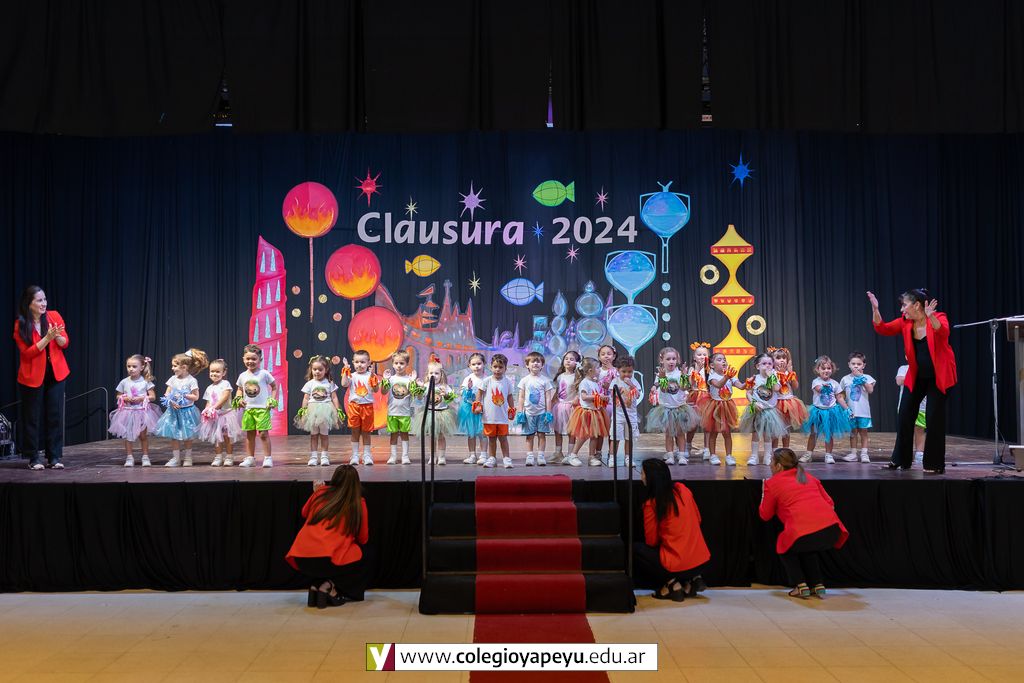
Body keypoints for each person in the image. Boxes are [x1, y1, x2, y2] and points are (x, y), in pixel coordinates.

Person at [868, 289, 957, 473]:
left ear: (917, 305)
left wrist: (931, 317)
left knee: (933, 418)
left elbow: (943, 332)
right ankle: (900, 459)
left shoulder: (938, 317)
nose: (902, 309)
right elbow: (882, 328)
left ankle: (934, 464)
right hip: (917, 376)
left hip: (939, 376)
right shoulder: (905, 322)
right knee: (905, 414)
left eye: (904, 305)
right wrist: (875, 309)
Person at [759, 447, 849, 599]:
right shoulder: (809, 477)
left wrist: (763, 492)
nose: (769, 464)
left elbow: (765, 515)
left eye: (771, 461)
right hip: (832, 531)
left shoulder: (772, 483)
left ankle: (800, 585)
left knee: (785, 545)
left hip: (807, 532)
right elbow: (830, 503)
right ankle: (817, 584)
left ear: (778, 466)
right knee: (806, 547)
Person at [286, 465, 373, 609]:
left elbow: (304, 512)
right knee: (366, 554)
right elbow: (363, 539)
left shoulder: (320, 493)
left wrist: (316, 493)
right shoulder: (358, 502)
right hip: (327, 560)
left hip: (301, 559)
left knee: (329, 558)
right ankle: (329, 586)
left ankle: (316, 585)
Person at [634, 458, 710, 601]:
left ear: (650, 479)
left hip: (676, 564)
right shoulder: (683, 490)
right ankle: (693, 579)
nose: (641, 477)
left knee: (636, 550)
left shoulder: (651, 504)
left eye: (642, 473)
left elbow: (651, 541)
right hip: (702, 562)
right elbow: (698, 519)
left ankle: (672, 584)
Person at [13, 286, 69, 470]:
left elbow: (65, 343)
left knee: (54, 416)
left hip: (56, 373)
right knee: (32, 418)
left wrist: (57, 336)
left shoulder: (54, 316)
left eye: (44, 299)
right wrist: (47, 338)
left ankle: (54, 457)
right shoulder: (21, 324)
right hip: (31, 376)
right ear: (29, 303)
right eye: (39, 300)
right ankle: (33, 458)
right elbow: (27, 353)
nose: (44, 303)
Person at [154, 348, 208, 467]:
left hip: (187, 412)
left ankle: (188, 458)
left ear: (184, 367)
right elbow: (167, 394)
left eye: (175, 366)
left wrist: (184, 394)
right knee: (174, 436)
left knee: (187, 436)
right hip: (173, 412)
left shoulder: (191, 380)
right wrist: (171, 401)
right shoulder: (172, 379)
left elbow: (196, 397)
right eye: (172, 366)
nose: (172, 368)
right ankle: (176, 458)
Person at [645, 346, 699, 465]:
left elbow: (684, 388)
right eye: (668, 359)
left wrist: (684, 376)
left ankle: (681, 455)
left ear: (677, 360)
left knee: (680, 433)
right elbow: (664, 389)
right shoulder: (660, 374)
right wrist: (662, 377)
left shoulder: (679, 373)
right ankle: (670, 455)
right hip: (667, 409)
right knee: (669, 433)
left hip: (679, 407)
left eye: (674, 359)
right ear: (662, 360)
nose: (671, 361)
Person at [108, 354, 161, 467]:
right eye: (129, 366)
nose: (131, 369)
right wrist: (125, 398)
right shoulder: (124, 382)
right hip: (128, 412)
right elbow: (118, 395)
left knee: (143, 436)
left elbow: (152, 397)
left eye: (134, 366)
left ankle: (145, 457)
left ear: (142, 367)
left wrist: (142, 398)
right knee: (129, 436)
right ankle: (129, 457)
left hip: (142, 412)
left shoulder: (145, 382)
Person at [739, 353, 788, 466]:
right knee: (755, 433)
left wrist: (771, 376)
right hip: (756, 409)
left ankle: (767, 456)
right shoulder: (754, 379)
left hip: (769, 411)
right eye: (764, 363)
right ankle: (754, 456)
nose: (767, 366)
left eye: (770, 364)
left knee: (768, 434)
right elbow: (748, 393)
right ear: (758, 366)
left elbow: (776, 388)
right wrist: (753, 403)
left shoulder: (774, 378)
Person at [800, 355, 852, 464]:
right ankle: (808, 454)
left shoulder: (835, 383)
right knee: (813, 433)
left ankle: (828, 455)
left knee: (829, 434)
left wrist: (847, 409)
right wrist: (826, 387)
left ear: (832, 369)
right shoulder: (816, 381)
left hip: (831, 412)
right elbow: (819, 389)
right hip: (817, 412)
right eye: (823, 368)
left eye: (828, 368)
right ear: (817, 370)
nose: (826, 370)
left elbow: (839, 397)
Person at [294, 355, 344, 467]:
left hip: (326, 410)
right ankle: (313, 457)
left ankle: (324, 456)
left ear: (326, 370)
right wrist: (303, 410)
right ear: (311, 370)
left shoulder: (329, 383)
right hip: (313, 411)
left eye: (320, 369)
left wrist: (338, 410)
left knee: (324, 435)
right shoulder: (310, 383)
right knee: (314, 435)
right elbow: (306, 398)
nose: (317, 372)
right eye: (314, 369)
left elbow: (334, 397)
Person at [234, 344, 278, 468]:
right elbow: (239, 389)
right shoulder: (242, 376)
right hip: (248, 409)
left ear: (260, 360)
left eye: (254, 359)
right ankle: (250, 458)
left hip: (262, 408)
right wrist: (239, 398)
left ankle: (268, 458)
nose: (250, 361)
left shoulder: (264, 374)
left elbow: (274, 387)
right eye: (248, 358)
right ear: (243, 359)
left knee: (263, 434)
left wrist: (272, 399)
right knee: (250, 434)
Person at [410, 358, 458, 465]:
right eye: (431, 373)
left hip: (442, 414)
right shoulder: (426, 386)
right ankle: (432, 456)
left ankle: (441, 456)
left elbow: (451, 400)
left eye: (436, 373)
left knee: (441, 436)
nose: (434, 375)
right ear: (427, 374)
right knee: (432, 437)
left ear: (441, 375)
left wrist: (446, 394)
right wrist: (420, 389)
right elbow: (419, 398)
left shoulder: (445, 387)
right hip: (429, 413)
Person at [701, 353, 744, 466]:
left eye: (724, 359)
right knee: (713, 432)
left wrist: (748, 384)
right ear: (712, 365)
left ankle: (729, 455)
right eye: (719, 360)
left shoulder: (730, 376)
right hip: (715, 406)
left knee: (727, 433)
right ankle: (713, 455)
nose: (723, 361)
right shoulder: (712, 376)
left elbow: (740, 386)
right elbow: (719, 385)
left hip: (727, 406)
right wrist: (726, 377)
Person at [474, 353, 516, 468]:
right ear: (491, 367)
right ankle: (492, 458)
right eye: (495, 367)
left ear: (505, 368)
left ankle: (506, 458)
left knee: (503, 438)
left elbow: (510, 396)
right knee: (491, 439)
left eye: (500, 367)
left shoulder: (507, 382)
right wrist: (478, 405)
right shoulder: (486, 381)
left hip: (502, 417)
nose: (497, 369)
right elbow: (479, 393)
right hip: (489, 417)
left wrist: (512, 410)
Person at [198, 359, 242, 466]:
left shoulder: (225, 384)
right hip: (216, 416)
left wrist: (214, 407)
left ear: (224, 372)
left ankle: (229, 457)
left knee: (227, 436)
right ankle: (218, 457)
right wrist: (207, 410)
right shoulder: (209, 388)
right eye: (212, 371)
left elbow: (224, 397)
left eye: (217, 371)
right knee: (217, 437)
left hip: (226, 415)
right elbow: (209, 401)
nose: (214, 374)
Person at [515, 351, 555, 466]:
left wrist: (548, 412)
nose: (536, 364)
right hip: (528, 413)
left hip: (542, 413)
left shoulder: (545, 380)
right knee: (530, 435)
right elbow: (521, 397)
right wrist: (520, 412)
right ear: (527, 365)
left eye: (538, 362)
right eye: (533, 361)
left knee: (542, 435)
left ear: (542, 365)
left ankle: (541, 456)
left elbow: (548, 397)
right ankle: (530, 456)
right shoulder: (524, 380)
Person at [567, 357, 609, 467]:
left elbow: (596, 397)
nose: (599, 370)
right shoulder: (584, 383)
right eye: (598, 368)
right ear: (590, 371)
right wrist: (597, 397)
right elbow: (584, 397)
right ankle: (573, 455)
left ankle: (591, 457)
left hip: (595, 412)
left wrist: (602, 399)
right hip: (586, 413)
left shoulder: (595, 382)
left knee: (594, 436)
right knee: (583, 436)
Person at [340, 351, 379, 466]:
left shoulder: (371, 375)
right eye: (357, 362)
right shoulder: (352, 375)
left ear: (368, 363)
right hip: (354, 407)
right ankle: (355, 455)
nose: (359, 365)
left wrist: (373, 377)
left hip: (367, 407)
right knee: (355, 431)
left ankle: (367, 455)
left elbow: (376, 390)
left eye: (362, 362)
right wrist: (345, 370)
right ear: (353, 362)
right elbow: (344, 384)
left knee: (366, 432)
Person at [383, 350, 418, 465]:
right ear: (393, 364)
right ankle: (393, 456)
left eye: (402, 363)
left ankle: (405, 456)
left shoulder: (409, 379)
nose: (399, 366)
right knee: (393, 435)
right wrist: (385, 381)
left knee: (404, 434)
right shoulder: (391, 379)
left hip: (405, 413)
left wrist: (413, 382)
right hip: (392, 412)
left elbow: (414, 394)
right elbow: (383, 392)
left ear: (407, 364)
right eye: (396, 363)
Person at [770, 346, 808, 453]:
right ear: (772, 361)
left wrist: (791, 374)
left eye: (784, 358)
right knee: (775, 429)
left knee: (786, 429)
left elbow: (795, 386)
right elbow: (774, 388)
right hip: (776, 403)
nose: (782, 360)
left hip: (789, 403)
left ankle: (786, 451)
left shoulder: (788, 373)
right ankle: (774, 451)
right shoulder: (772, 373)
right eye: (778, 358)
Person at [840, 352, 875, 463]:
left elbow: (870, 390)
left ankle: (864, 453)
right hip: (851, 411)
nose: (856, 366)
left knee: (863, 432)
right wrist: (845, 407)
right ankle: (853, 453)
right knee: (853, 432)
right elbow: (841, 394)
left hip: (863, 411)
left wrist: (861, 378)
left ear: (863, 365)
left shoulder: (868, 378)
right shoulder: (845, 379)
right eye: (853, 364)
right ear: (849, 364)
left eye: (859, 364)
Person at [609, 355, 642, 468]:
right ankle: (612, 458)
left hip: (630, 415)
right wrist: (620, 391)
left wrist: (631, 385)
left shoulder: (634, 382)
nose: (627, 374)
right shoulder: (615, 381)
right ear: (618, 370)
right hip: (618, 415)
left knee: (629, 438)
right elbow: (612, 395)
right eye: (624, 371)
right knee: (616, 438)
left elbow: (638, 395)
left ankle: (628, 458)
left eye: (630, 372)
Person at [551, 351, 581, 464]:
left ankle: (570, 454)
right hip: (559, 407)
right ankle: (558, 453)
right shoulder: (560, 376)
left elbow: (579, 391)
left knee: (571, 431)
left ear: (577, 363)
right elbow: (557, 391)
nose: (568, 361)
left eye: (571, 359)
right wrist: (552, 402)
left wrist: (576, 399)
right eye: (566, 359)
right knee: (557, 430)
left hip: (571, 406)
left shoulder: (577, 377)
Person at [459, 352, 488, 465]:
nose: (477, 366)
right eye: (474, 364)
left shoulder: (487, 379)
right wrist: (468, 389)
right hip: (470, 410)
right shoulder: (468, 379)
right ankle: (472, 455)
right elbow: (462, 393)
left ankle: (483, 455)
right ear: (469, 366)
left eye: (479, 364)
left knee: (483, 433)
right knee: (471, 434)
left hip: (483, 410)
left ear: (484, 364)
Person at [684, 342, 712, 460]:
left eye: (704, 354)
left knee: (707, 425)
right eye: (699, 355)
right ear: (694, 357)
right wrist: (697, 369)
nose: (702, 357)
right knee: (692, 425)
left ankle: (707, 449)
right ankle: (687, 445)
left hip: (707, 398)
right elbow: (691, 384)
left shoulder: (710, 369)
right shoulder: (692, 369)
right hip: (694, 397)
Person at [896, 363, 926, 464]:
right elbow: (899, 381)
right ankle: (903, 454)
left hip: (922, 406)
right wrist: (916, 378)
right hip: (906, 405)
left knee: (920, 429)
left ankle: (919, 454)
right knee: (905, 429)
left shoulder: (924, 367)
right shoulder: (904, 368)